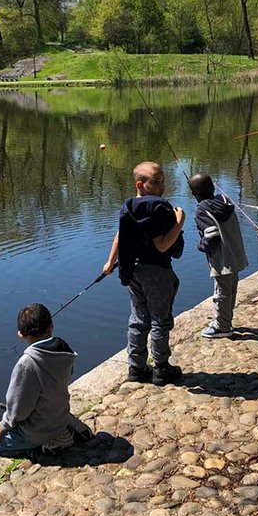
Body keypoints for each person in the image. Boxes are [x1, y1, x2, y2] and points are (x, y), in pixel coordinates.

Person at [103, 161, 185, 385]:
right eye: (157, 182)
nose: (162, 187)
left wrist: (110, 262)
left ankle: (136, 368)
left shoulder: (128, 207)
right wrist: (179, 222)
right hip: (156, 271)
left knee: (138, 320)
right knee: (160, 320)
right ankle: (161, 368)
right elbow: (162, 245)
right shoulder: (157, 209)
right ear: (140, 184)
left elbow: (121, 236)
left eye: (163, 181)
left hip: (133, 271)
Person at [0, 303, 91, 457]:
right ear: (51, 327)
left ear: (20, 334)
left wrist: (5, 424)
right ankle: (65, 426)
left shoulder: (26, 364)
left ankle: (46, 444)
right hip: (60, 414)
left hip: (39, 430)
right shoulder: (64, 349)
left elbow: (19, 406)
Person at [188, 172, 249, 339]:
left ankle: (222, 326)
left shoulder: (201, 209)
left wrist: (201, 246)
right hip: (236, 253)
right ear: (213, 187)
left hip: (222, 258)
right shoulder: (225, 200)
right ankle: (226, 320)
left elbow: (211, 234)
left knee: (221, 292)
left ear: (194, 194)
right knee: (230, 289)